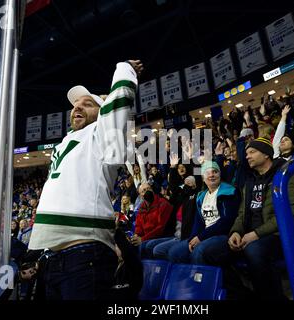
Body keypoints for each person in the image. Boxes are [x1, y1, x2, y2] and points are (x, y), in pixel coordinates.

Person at [28, 59, 143, 300]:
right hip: (51, 258)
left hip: (84, 255)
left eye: (87, 104)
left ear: (102, 113)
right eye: (75, 105)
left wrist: (124, 68)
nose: (77, 108)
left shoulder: (103, 135)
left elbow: (118, 104)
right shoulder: (67, 142)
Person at [226, 137, 294, 299]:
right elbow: (242, 214)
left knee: (254, 249)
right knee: (207, 251)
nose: (247, 156)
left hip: (279, 234)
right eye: (246, 153)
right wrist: (235, 232)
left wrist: (256, 234)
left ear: (266, 155)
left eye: (252, 152)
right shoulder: (249, 181)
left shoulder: (287, 174)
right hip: (250, 235)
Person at [167, 161, 240, 265]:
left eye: (215, 171)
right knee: (174, 252)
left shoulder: (229, 192)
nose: (211, 175)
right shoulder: (201, 196)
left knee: (199, 251)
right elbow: (198, 221)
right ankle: (186, 279)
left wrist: (200, 237)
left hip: (223, 235)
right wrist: (193, 237)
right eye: (207, 173)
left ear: (220, 174)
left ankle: (201, 280)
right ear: (203, 178)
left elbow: (226, 222)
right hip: (205, 235)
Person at [131, 183, 173, 257]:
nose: (147, 191)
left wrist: (142, 239)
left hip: (163, 236)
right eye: (144, 190)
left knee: (146, 246)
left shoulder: (163, 203)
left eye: (148, 188)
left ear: (152, 190)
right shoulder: (141, 208)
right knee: (131, 245)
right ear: (140, 196)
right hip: (147, 238)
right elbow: (138, 226)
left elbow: (160, 228)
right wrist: (136, 236)